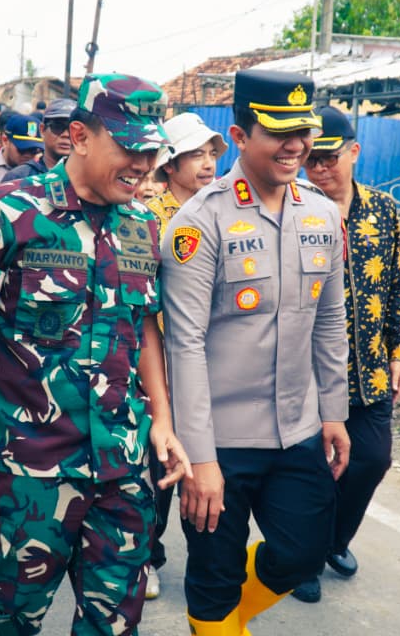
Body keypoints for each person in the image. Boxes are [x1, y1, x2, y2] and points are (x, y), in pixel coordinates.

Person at [0, 73, 190, 635]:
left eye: (152, 151)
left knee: (114, 623)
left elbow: (143, 330)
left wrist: (163, 422)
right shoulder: (2, 213)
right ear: (79, 136)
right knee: (8, 619)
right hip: (29, 470)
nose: (144, 165)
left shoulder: (144, 226)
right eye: (129, 148)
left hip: (122, 465)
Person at [162, 69, 350, 635]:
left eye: (303, 131)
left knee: (302, 553)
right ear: (240, 136)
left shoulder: (321, 213)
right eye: (278, 132)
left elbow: (330, 319)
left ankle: (225, 626)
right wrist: (199, 458)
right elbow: (184, 345)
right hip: (220, 436)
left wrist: (335, 412)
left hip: (296, 428)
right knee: (215, 575)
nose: (296, 146)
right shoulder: (200, 223)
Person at [292, 106, 400, 604]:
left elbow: (399, 282)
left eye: (330, 157)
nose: (320, 168)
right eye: (312, 159)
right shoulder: (294, 210)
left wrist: (399, 350)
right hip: (311, 373)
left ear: (354, 153)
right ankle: (304, 556)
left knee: (372, 459)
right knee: (315, 468)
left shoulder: (382, 210)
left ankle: (334, 540)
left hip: (371, 369)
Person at [138, 109, 224, 601]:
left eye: (212, 153)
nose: (208, 163)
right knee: (162, 468)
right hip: (163, 363)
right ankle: (149, 555)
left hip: (216, 363)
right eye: (195, 154)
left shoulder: (226, 213)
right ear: (168, 165)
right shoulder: (151, 221)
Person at [1, 97, 75, 182]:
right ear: (42, 130)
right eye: (57, 127)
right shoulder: (19, 177)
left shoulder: (88, 181)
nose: (66, 134)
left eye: (72, 129)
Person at [0, 113, 43, 187]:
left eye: (33, 151)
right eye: (23, 149)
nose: (28, 155)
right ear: (5, 140)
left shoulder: (41, 173)